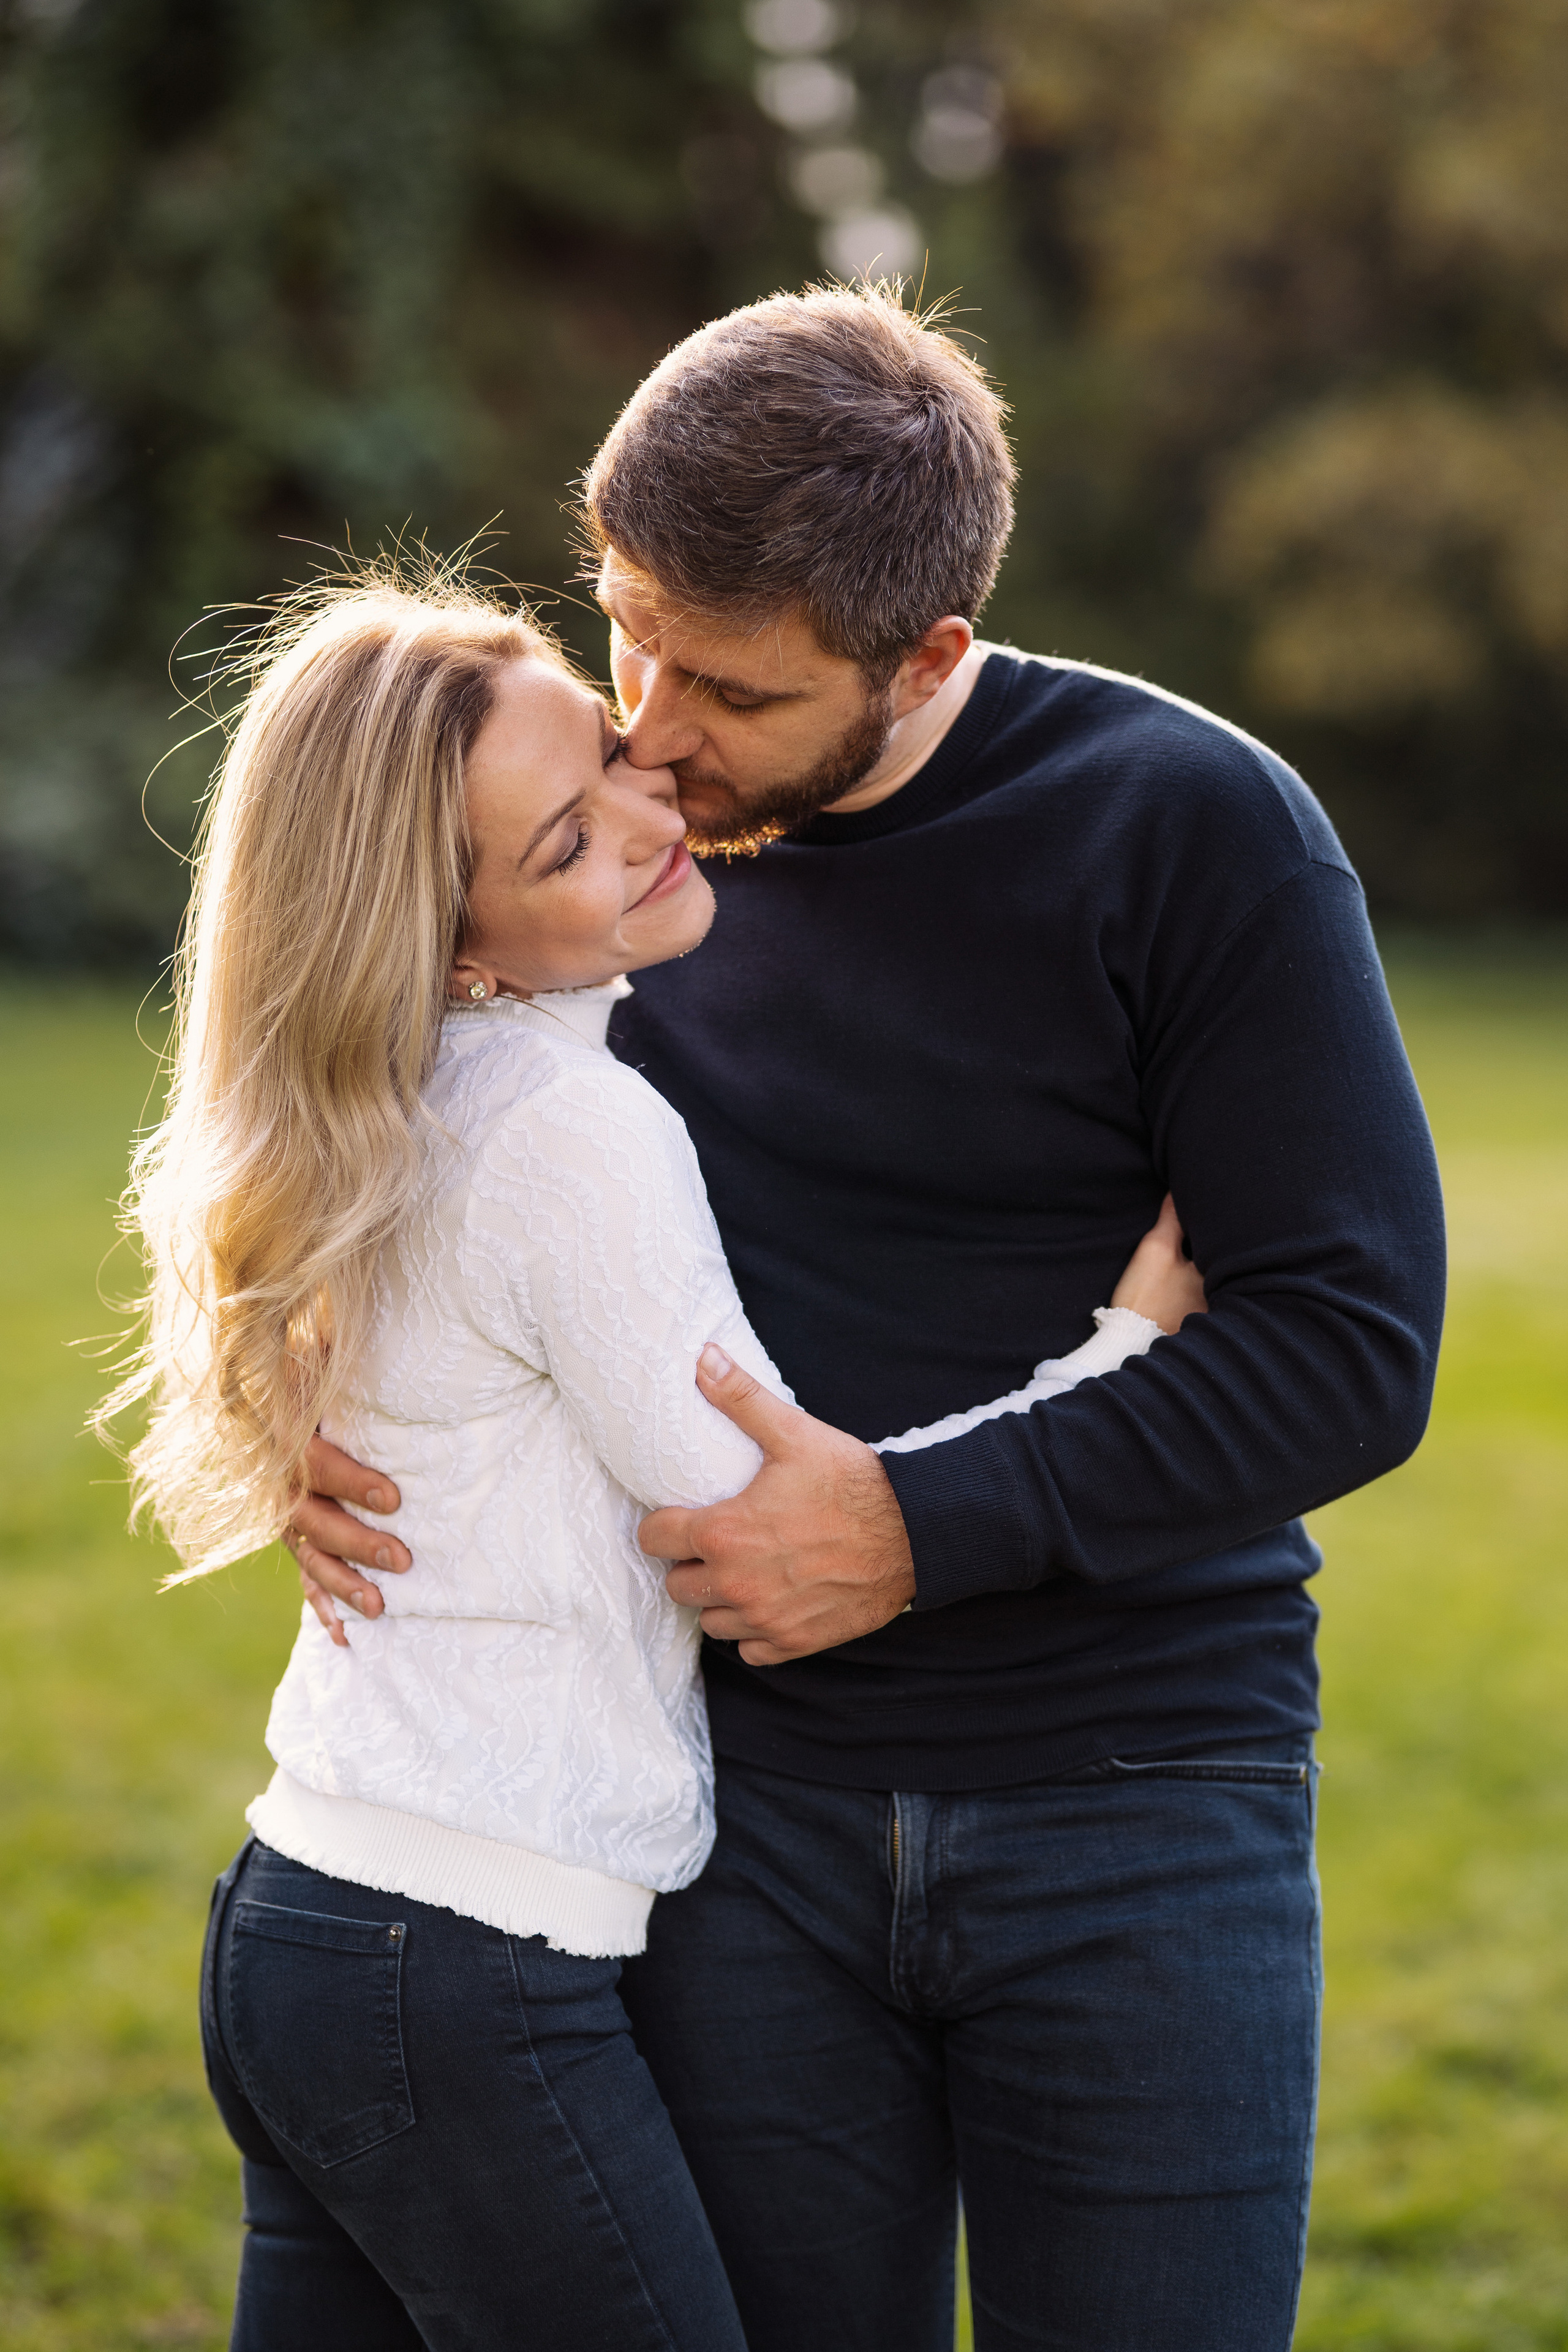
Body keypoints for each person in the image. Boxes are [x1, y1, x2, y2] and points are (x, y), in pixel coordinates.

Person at [290, 288, 1447, 2352]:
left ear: (926, 654)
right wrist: (301, 1380)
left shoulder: (1191, 828)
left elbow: (1350, 1337)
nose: (645, 725)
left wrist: (923, 1531)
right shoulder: (598, 863)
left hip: (1141, 1810)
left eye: (722, 684)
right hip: (738, 1837)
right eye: (622, 624)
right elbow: (341, 1102)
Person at [102, 563, 1207, 2351]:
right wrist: (1123, 1356)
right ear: (453, 944)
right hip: (459, 1957)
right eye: (562, 848)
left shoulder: (413, 1100)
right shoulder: (571, 1132)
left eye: (610, 755)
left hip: (307, 1920)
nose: (647, 812)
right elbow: (766, 1529)